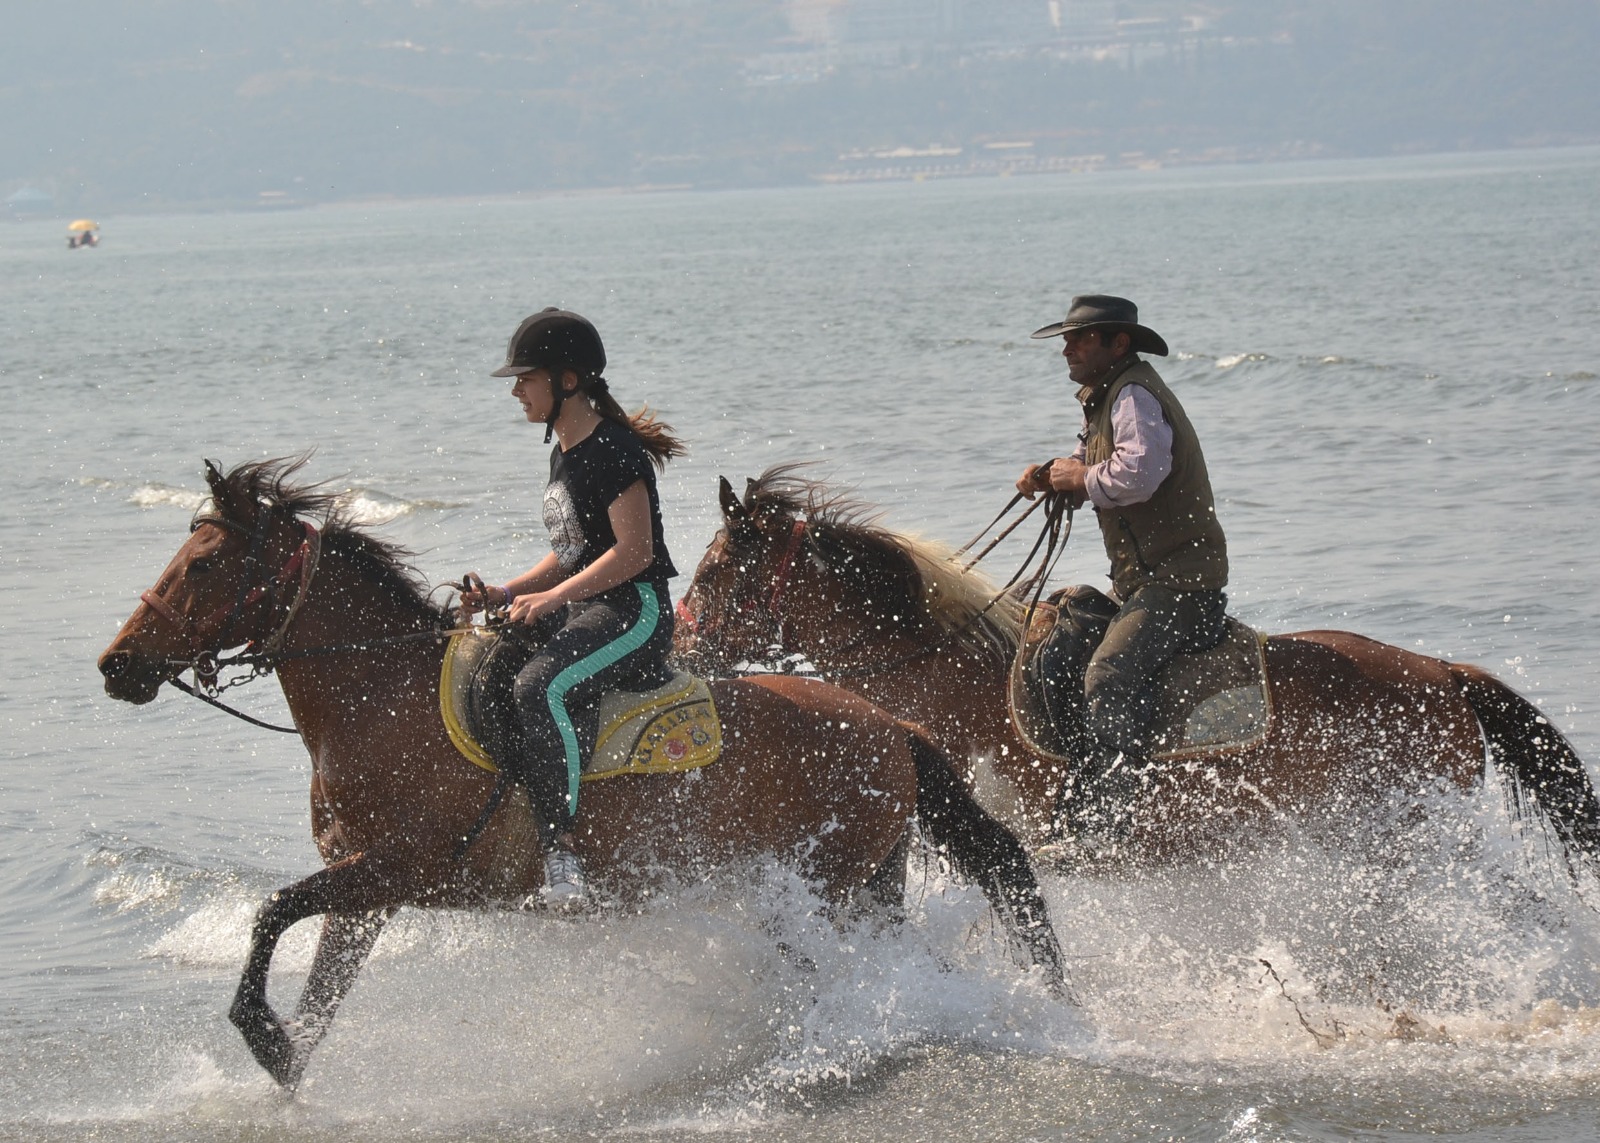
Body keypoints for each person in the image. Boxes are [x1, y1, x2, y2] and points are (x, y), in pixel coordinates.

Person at [460, 308, 686, 904]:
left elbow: (634, 553)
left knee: (541, 687)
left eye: (525, 378)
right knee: (492, 672)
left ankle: (563, 859)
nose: (515, 391)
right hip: (587, 608)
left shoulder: (613, 450)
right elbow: (570, 553)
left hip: (634, 614)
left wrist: (554, 597)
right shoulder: (564, 452)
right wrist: (506, 594)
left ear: (566, 381)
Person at [1015, 295, 1229, 843]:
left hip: (1181, 585)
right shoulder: (1111, 396)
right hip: (1146, 583)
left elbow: (1140, 473)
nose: (1068, 349)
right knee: (1058, 643)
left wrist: (1077, 479)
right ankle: (1079, 785)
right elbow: (1106, 467)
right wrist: (1053, 475)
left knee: (1108, 673)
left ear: (1118, 344)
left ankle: (1106, 821)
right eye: (1068, 339)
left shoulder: (1133, 394)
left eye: (1080, 338)